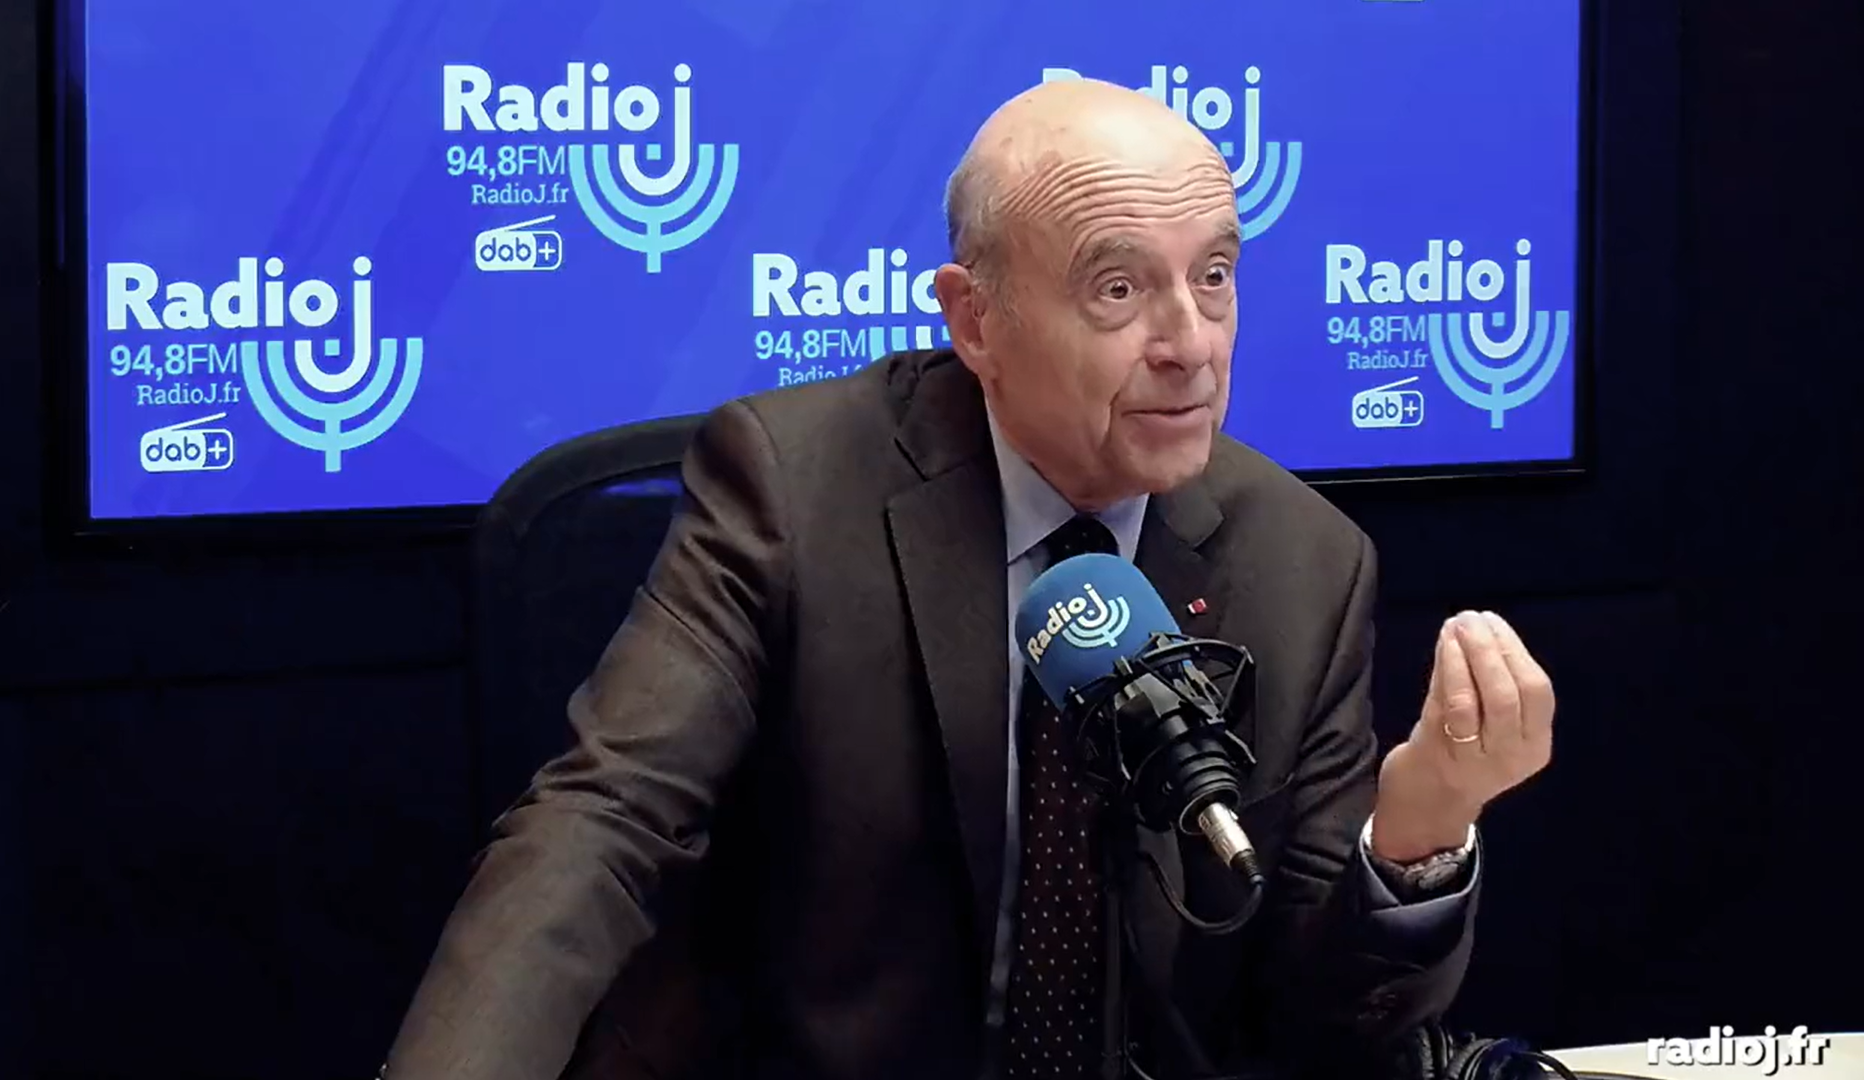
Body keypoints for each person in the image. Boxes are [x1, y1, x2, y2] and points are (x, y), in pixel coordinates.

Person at [382, 78, 1555, 1080]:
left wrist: (1419, 831)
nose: (1191, 343)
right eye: (1117, 289)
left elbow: (1319, 1017)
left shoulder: (1304, 563)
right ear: (976, 321)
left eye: (1214, 276)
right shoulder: (794, 492)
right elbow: (604, 822)